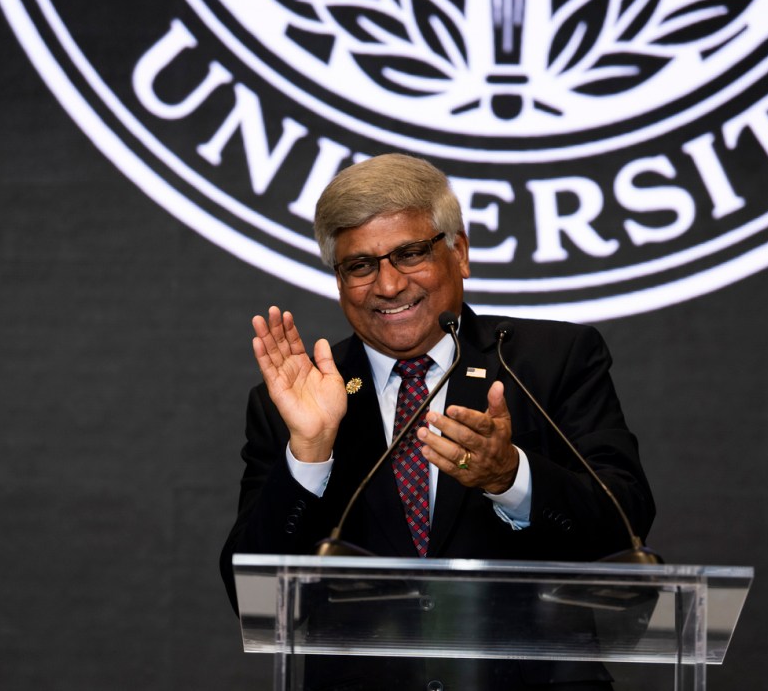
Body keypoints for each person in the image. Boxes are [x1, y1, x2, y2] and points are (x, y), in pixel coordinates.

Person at [220, 153, 655, 690]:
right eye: (360, 265)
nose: (387, 285)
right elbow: (252, 595)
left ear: (460, 252)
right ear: (338, 280)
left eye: (409, 254)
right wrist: (310, 452)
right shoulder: (297, 401)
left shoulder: (548, 361)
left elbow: (625, 524)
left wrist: (511, 479)